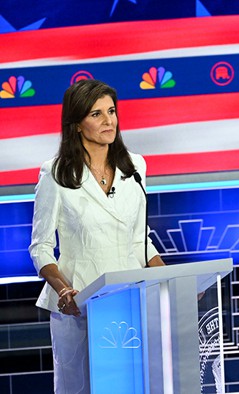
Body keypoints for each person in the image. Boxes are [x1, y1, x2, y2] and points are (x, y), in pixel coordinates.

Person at [29, 79, 165, 393]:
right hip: (79, 307)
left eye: (112, 111)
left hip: (129, 301)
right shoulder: (56, 173)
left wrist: (174, 280)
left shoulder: (135, 167)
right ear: (76, 124)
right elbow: (41, 246)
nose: (109, 121)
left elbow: (139, 241)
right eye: (97, 114)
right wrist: (64, 290)